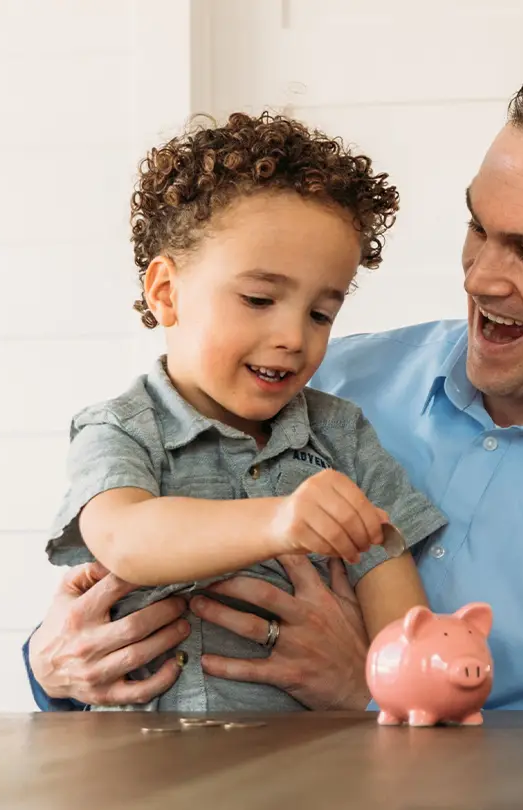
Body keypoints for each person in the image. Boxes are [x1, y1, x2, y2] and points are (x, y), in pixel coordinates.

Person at [24, 52, 523, 712]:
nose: (481, 278)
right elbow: (123, 559)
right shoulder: (316, 389)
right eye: (478, 228)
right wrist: (51, 666)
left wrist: (367, 692)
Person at [32, 110, 447, 711]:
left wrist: (420, 689)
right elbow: (127, 539)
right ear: (166, 292)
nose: (293, 337)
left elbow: (403, 632)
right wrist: (280, 521)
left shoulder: (344, 436)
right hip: (140, 782)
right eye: (258, 299)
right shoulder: (120, 428)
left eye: (320, 313)